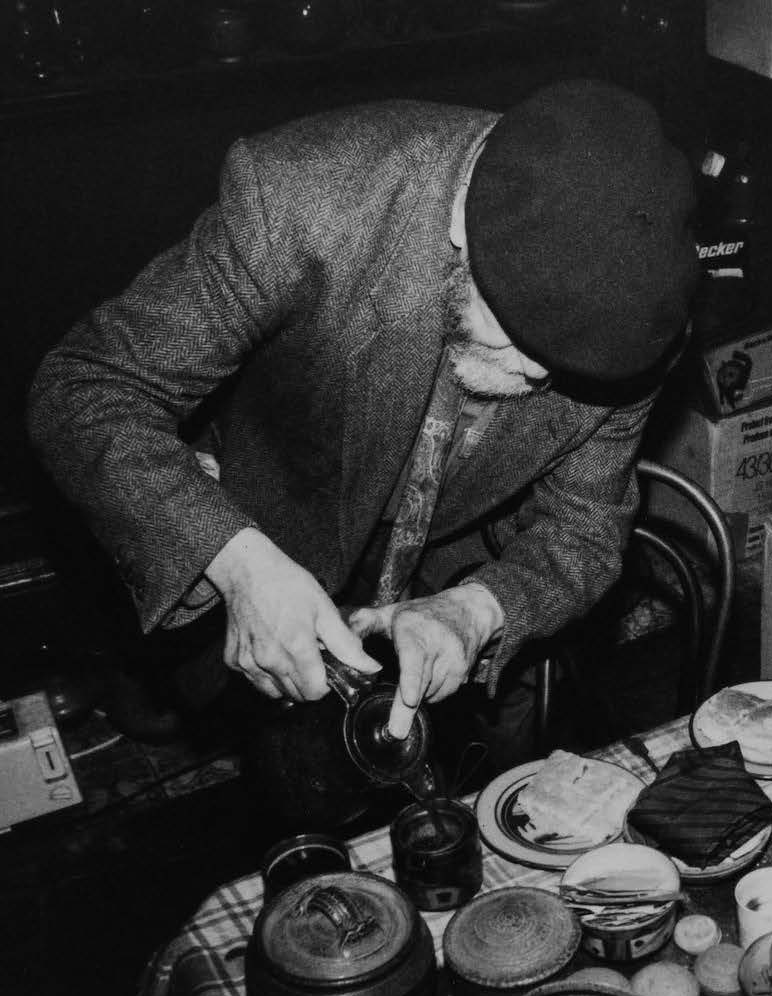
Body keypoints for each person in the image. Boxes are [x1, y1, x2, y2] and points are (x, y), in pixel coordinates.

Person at [26, 79, 698, 754]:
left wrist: (477, 610)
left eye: (569, 362)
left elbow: (584, 529)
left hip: (460, 582)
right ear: (462, 220)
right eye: (520, 331)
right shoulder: (303, 199)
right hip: (277, 539)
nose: (540, 375)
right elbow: (85, 386)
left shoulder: (634, 322)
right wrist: (240, 564)